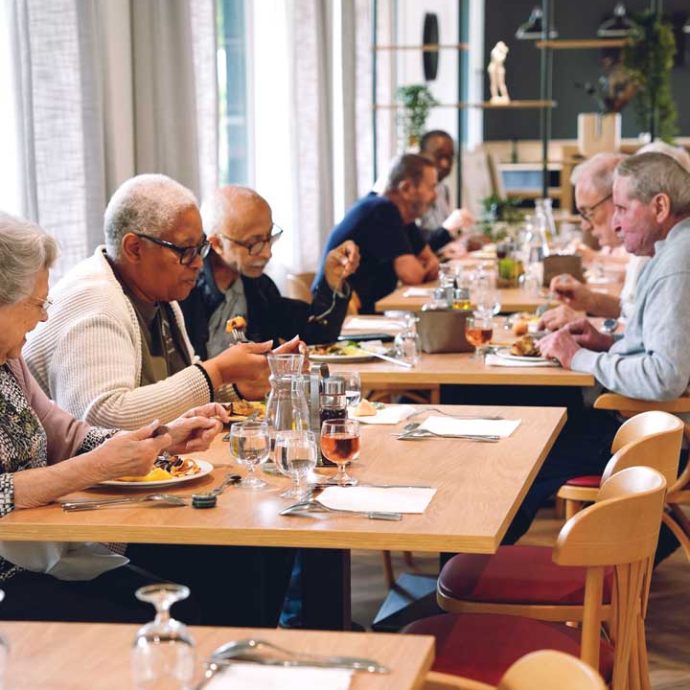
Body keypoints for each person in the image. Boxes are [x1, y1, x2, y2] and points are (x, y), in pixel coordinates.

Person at [0, 213, 226, 623]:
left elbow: (66, 433)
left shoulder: (8, 361)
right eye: (37, 304)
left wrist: (161, 439)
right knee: (163, 613)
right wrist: (97, 466)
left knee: (195, 598)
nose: (45, 318)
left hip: (41, 557)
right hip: (10, 577)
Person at [507, 153, 690, 549]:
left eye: (623, 208)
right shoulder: (673, 250)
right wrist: (606, 342)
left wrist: (579, 358)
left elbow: (666, 377)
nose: (617, 222)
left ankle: (475, 579)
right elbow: (659, 349)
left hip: (661, 442)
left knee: (521, 450)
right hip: (651, 426)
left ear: (660, 206)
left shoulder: (679, 262)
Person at [25, 174, 301, 429]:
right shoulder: (95, 300)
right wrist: (216, 371)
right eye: (185, 251)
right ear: (134, 248)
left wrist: (238, 384)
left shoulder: (160, 296)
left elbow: (172, 388)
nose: (197, 263)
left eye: (201, 248)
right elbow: (102, 419)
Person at [181, 185, 360, 358]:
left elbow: (317, 335)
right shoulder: (185, 292)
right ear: (217, 244)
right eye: (254, 243)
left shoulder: (258, 288)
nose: (267, 253)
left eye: (269, 238)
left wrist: (332, 282)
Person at [314, 153, 440, 314]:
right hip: (342, 317)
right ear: (406, 188)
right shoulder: (381, 210)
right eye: (431, 187)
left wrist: (425, 267)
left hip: (365, 315)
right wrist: (422, 268)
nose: (435, 195)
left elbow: (433, 263)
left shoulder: (403, 217)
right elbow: (413, 276)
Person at [537, 152, 647, 332]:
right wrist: (590, 301)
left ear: (618, 197)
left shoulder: (653, 248)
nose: (585, 226)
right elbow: (632, 315)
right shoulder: (639, 249)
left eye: (588, 212)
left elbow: (647, 338)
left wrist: (584, 324)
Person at [418, 130, 475, 252]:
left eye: (450, 157)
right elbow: (418, 244)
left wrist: (462, 240)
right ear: (421, 156)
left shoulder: (443, 189)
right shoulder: (414, 192)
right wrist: (450, 226)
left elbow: (441, 237)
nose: (445, 163)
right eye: (439, 156)